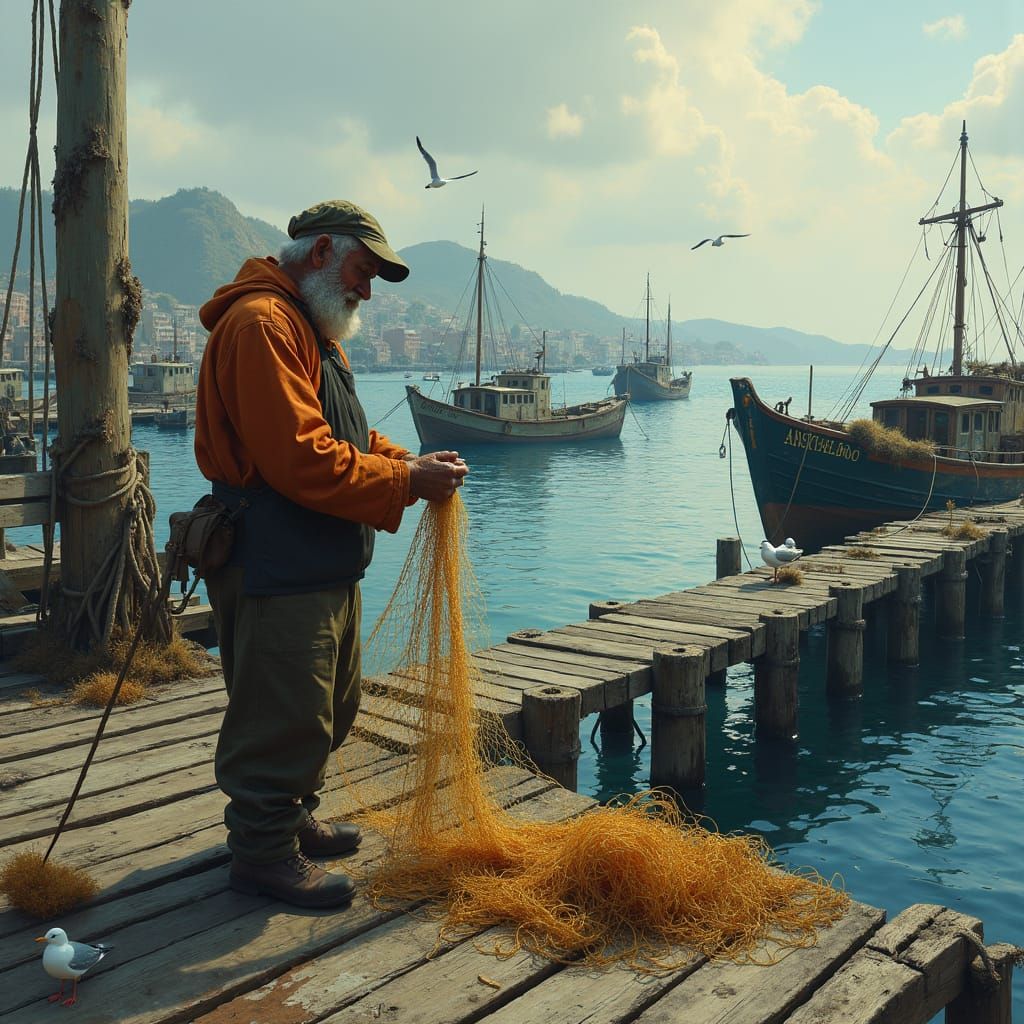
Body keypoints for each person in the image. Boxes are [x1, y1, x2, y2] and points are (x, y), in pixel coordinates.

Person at [194, 199, 468, 909]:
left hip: (318, 561)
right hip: (276, 561)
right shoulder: (262, 325)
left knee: (328, 705)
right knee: (282, 714)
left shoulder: (312, 330)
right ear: (320, 254)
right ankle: (261, 853)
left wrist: (407, 460)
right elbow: (299, 458)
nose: (367, 291)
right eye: (362, 270)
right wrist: (406, 481)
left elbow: (343, 435)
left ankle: (291, 819)